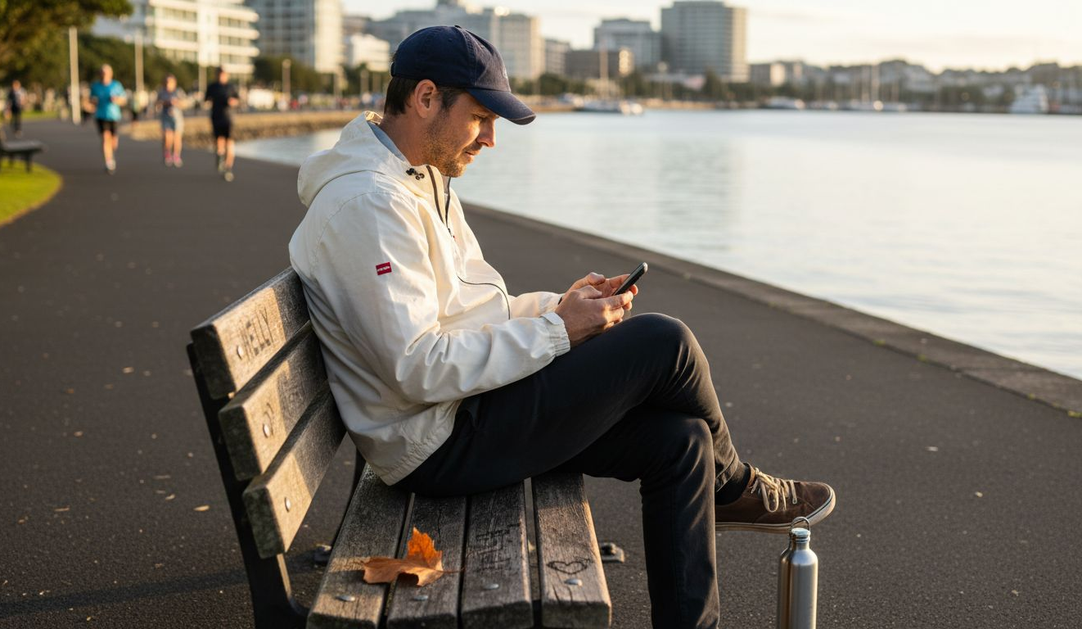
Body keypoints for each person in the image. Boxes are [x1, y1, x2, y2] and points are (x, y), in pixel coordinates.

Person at [288, 26, 835, 629]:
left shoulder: (419, 179)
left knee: (681, 443)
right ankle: (736, 490)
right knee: (665, 343)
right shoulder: (369, 204)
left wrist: (562, 308)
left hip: (464, 410)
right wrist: (559, 333)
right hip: (436, 443)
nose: (491, 138)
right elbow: (416, 367)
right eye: (480, 117)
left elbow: (477, 311)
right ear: (425, 98)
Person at [88, 64, 126, 174]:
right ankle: (109, 162)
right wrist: (93, 102)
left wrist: (116, 99)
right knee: (105, 138)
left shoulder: (116, 85)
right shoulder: (95, 86)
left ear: (111, 74)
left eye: (106, 73)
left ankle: (110, 153)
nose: (104, 75)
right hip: (101, 116)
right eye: (102, 72)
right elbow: (91, 100)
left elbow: (123, 100)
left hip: (114, 116)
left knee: (113, 142)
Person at [204, 67, 239, 182]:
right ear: (216, 75)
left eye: (223, 75)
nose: (221, 77)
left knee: (229, 142)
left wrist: (232, 102)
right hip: (216, 117)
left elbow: (237, 100)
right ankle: (220, 158)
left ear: (227, 75)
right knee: (219, 140)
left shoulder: (231, 87)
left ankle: (228, 168)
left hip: (229, 118)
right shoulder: (212, 87)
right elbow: (206, 100)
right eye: (219, 75)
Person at [157, 74, 185, 167]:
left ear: (175, 83)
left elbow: (185, 103)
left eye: (170, 82)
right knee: (167, 136)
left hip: (177, 118)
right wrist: (165, 103)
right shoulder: (162, 92)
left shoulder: (178, 92)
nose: (168, 84)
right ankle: (167, 152)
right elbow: (157, 104)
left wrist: (177, 102)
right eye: (166, 82)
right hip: (166, 117)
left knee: (177, 137)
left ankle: (176, 155)